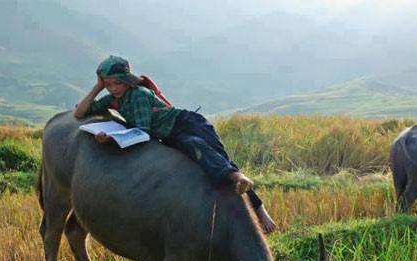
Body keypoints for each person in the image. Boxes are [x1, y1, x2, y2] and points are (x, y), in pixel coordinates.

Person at [74, 55, 276, 233]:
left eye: (116, 83)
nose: (113, 88)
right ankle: (238, 183)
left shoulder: (138, 96)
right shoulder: (114, 99)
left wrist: (111, 138)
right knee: (200, 152)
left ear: (127, 81)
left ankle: (254, 201)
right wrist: (97, 87)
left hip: (187, 124)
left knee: (206, 153)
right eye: (108, 85)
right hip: (170, 134)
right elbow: (80, 113)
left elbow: (142, 132)